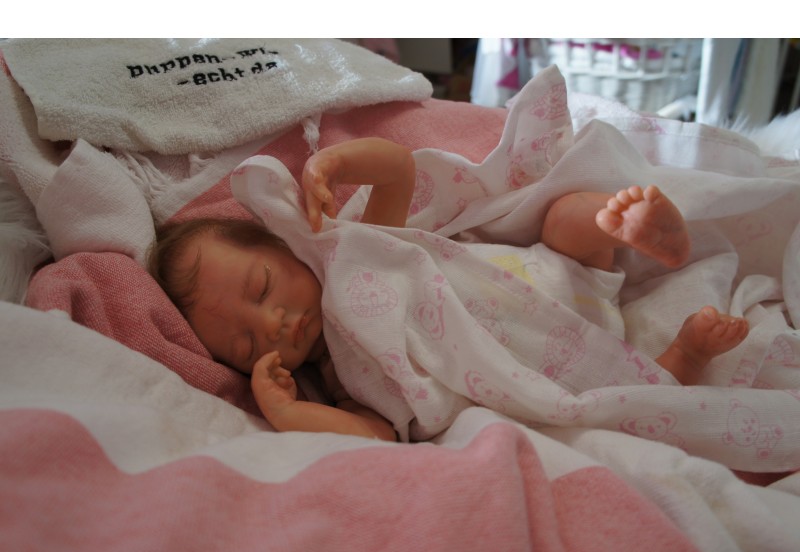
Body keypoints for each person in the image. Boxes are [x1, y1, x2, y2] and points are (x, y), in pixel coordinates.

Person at [148, 137, 749, 442]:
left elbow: (399, 171)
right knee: (627, 403)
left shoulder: (360, 248)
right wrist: (289, 412)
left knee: (564, 219)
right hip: (546, 369)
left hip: (557, 276)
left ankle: (622, 224)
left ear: (284, 247)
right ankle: (685, 355)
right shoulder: (342, 384)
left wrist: (334, 164)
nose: (273, 323)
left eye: (262, 289)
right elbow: (376, 435)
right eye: (247, 346)